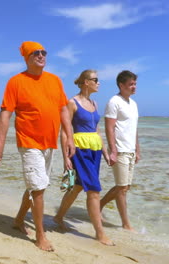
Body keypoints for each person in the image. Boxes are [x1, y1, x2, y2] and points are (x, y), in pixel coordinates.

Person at [0, 41, 75, 251]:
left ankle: (18, 220)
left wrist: (69, 137)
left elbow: (63, 110)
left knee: (36, 185)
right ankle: (40, 236)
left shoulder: (55, 80)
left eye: (43, 52)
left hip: (49, 143)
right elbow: (6, 114)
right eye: (35, 53)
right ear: (26, 57)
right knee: (38, 189)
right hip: (28, 142)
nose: (41, 55)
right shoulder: (16, 82)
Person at [53, 70, 114, 246]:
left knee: (78, 186)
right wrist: (66, 156)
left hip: (94, 150)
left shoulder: (94, 103)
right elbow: (65, 131)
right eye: (96, 80)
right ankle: (100, 233)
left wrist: (105, 152)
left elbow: (97, 130)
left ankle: (58, 217)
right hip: (80, 149)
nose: (99, 83)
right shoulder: (72, 103)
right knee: (94, 190)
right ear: (86, 82)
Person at [100, 70, 140, 232]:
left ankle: (98, 205)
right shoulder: (114, 102)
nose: (134, 87)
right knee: (121, 188)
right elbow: (109, 128)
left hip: (130, 150)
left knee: (125, 187)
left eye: (135, 84)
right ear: (121, 85)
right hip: (120, 149)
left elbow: (134, 129)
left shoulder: (133, 103)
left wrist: (137, 149)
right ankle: (125, 223)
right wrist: (113, 151)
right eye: (131, 84)